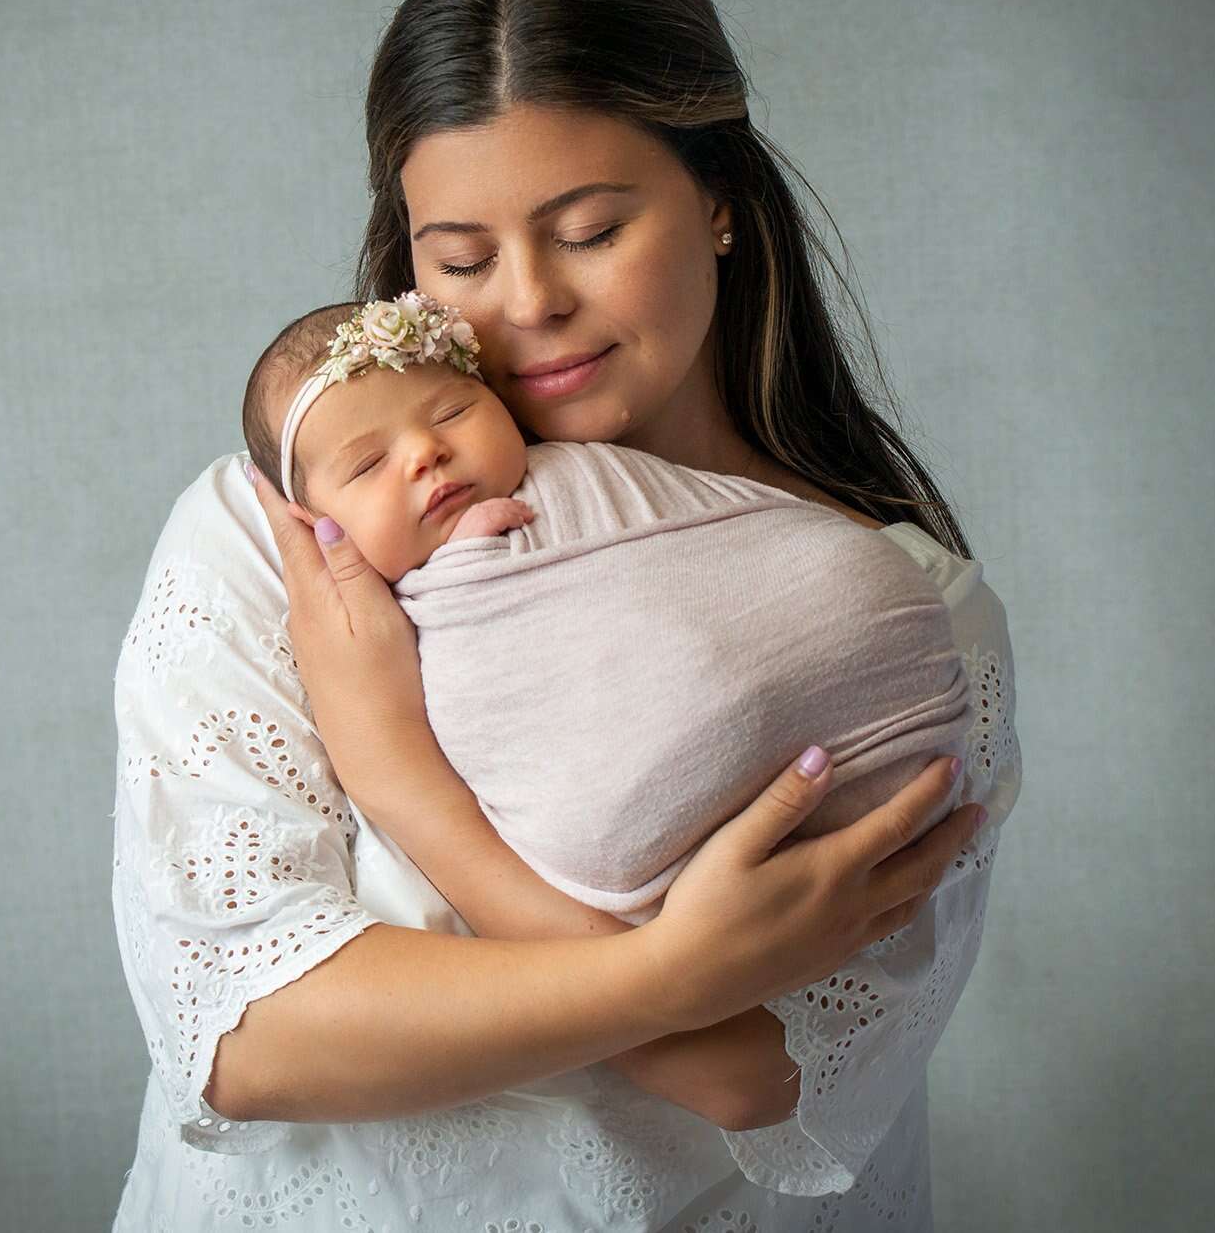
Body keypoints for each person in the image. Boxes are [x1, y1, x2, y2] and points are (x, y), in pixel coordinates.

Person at [110, 0, 1022, 1232]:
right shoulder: (294, 533)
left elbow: (758, 1076)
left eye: (589, 229)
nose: (524, 302)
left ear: (718, 202)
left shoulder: (901, 611)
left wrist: (397, 774)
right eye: (461, 259)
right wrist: (674, 969)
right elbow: (252, 1037)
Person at [240, 289, 996, 926]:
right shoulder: (302, 599)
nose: (424, 454)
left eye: (451, 412)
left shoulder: (585, 474)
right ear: (310, 520)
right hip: (642, 851)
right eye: (369, 464)